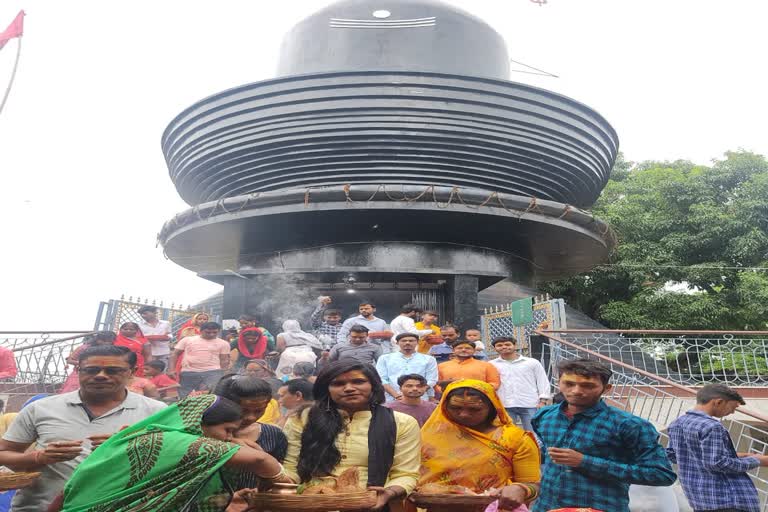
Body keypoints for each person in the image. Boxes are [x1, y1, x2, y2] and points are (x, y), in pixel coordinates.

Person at [0, 345, 165, 511]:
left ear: (132, 371)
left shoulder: (156, 412)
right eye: (91, 370)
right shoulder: (40, 408)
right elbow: (3, 453)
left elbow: (174, 464)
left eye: (113, 371)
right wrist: (39, 457)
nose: (101, 376)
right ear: (78, 370)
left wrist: (128, 451)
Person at [57, 394, 285, 512]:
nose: (228, 438)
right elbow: (259, 459)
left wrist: (230, 499)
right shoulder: (175, 440)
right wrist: (282, 482)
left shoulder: (148, 435)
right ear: (199, 421)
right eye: (227, 430)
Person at [531, 359, 676, 512]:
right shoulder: (544, 416)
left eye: (588, 386)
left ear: (606, 388)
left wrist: (585, 461)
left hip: (600, 506)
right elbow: (545, 456)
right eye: (569, 384)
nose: (576, 391)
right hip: (546, 506)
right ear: (558, 382)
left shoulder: (630, 425)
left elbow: (662, 474)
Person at [282, 359, 421, 511]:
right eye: (338, 383)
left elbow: (406, 473)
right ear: (326, 389)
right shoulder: (304, 417)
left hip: (372, 504)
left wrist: (388, 492)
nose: (349, 388)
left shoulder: (402, 423)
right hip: (312, 502)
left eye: (358, 381)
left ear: (373, 386)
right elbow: (290, 465)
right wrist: (279, 482)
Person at [419, 379, 541, 510]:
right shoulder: (431, 434)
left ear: (492, 408)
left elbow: (533, 485)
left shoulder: (515, 439)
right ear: (444, 406)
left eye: (474, 409)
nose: (464, 414)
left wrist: (521, 489)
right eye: (455, 408)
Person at [666, 383, 768, 512]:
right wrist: (758, 461)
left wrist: (741, 455)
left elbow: (673, 455)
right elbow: (717, 463)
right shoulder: (712, 426)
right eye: (733, 407)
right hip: (726, 500)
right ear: (718, 402)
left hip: (700, 500)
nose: (732, 412)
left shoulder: (677, 423)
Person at [215, 375, 288, 475]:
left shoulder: (274, 434)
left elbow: (280, 472)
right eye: (243, 410)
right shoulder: (205, 433)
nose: (251, 417)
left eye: (259, 411)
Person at [489, 336, 551, 431]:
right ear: (494, 348)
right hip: (504, 404)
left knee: (534, 434)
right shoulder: (491, 364)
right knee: (507, 434)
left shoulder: (531, 362)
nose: (504, 347)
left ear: (515, 345)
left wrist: (543, 401)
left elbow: (542, 381)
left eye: (507, 344)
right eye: (499, 345)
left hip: (530, 403)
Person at [169, 321, 231, 398]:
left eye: (215, 332)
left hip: (213, 372)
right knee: (186, 397)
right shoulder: (187, 340)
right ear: (200, 331)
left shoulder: (224, 343)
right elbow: (175, 354)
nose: (211, 334)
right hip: (188, 372)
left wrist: (224, 374)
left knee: (211, 396)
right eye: (208, 332)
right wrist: (171, 369)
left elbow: (224, 360)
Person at [376, 333, 438, 402]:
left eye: (411, 341)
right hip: (392, 399)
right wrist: (397, 396)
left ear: (417, 342)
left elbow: (432, 380)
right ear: (397, 343)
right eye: (404, 341)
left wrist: (416, 392)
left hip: (420, 399)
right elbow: (381, 379)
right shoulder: (385, 358)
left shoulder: (429, 359)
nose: (407, 343)